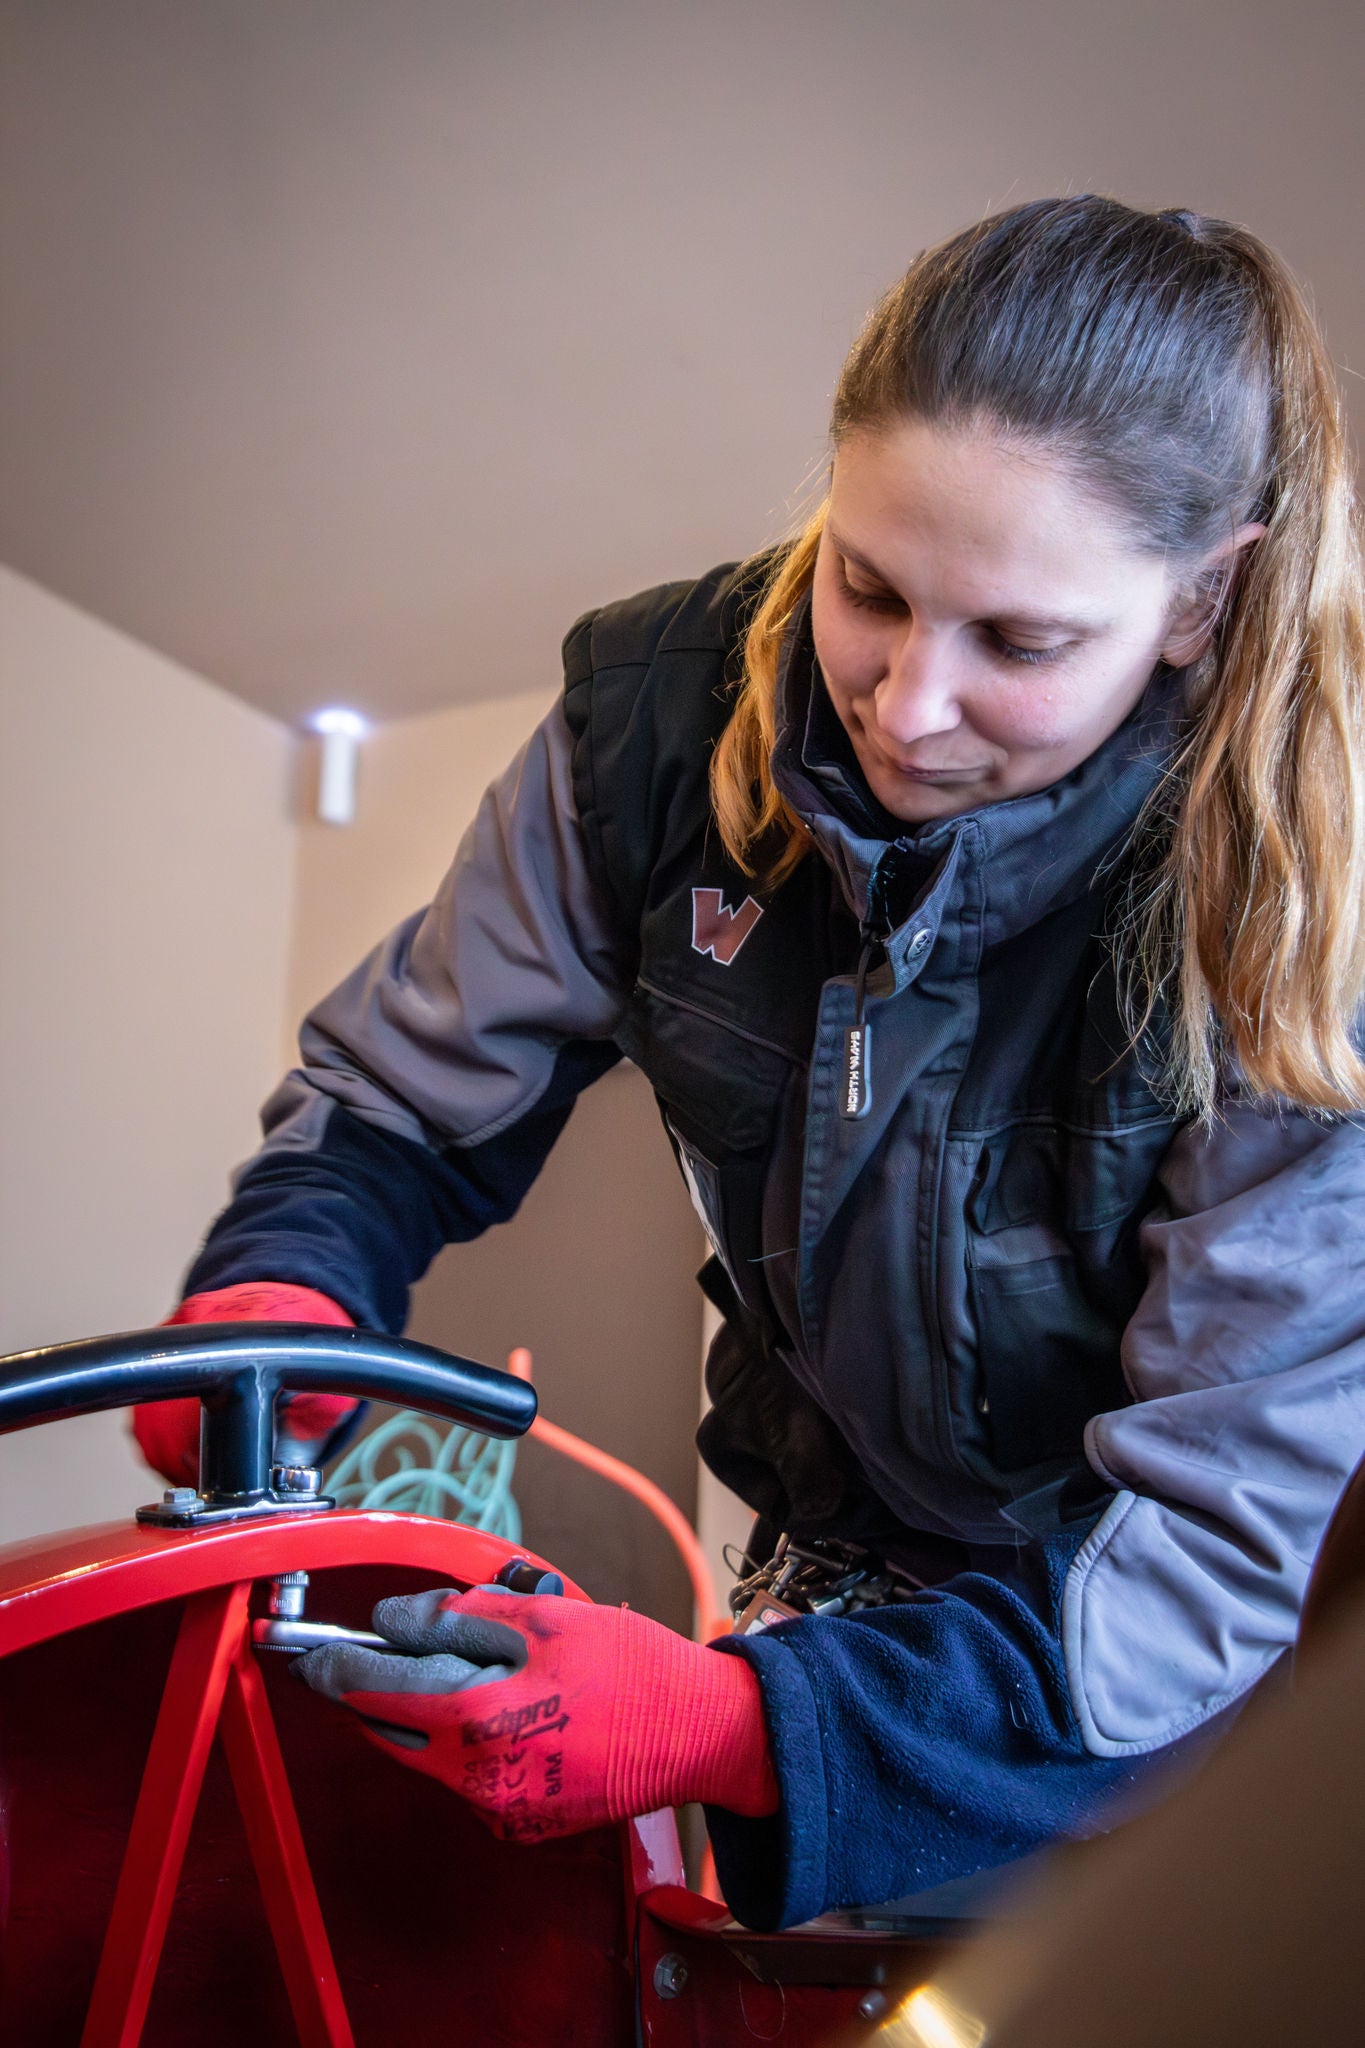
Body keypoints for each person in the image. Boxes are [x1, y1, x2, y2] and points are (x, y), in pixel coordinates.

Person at [135, 195, 1365, 1932]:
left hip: (1136, 1719)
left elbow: (1214, 1557)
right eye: (869, 586)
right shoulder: (649, 721)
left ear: (1196, 605)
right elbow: (394, 1100)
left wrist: (731, 1722)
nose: (903, 701)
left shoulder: (1307, 923)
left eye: (1015, 644)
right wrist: (277, 1289)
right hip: (814, 1604)